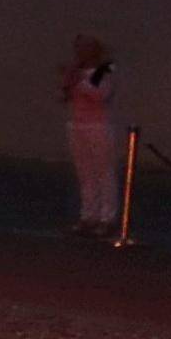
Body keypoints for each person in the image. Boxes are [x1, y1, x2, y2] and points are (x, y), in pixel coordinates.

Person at [60, 35, 120, 235]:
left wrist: (80, 80)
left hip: (99, 125)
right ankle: (88, 215)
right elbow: (64, 96)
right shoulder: (76, 72)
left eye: (85, 48)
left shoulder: (105, 69)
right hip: (77, 124)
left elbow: (100, 95)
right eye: (78, 48)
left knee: (104, 171)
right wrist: (69, 81)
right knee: (84, 173)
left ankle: (107, 218)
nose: (80, 52)